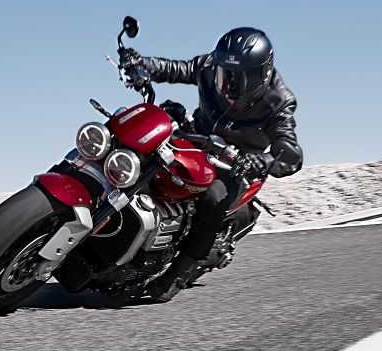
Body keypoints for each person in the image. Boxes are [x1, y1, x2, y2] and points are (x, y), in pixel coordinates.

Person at [119, 26, 302, 298]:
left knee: (212, 198)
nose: (228, 85)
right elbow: (178, 69)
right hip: (197, 138)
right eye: (223, 74)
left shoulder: (279, 101)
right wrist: (141, 64)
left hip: (236, 163)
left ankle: (180, 271)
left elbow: (290, 151)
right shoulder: (209, 65)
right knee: (145, 146)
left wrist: (264, 160)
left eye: (238, 79)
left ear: (261, 75)